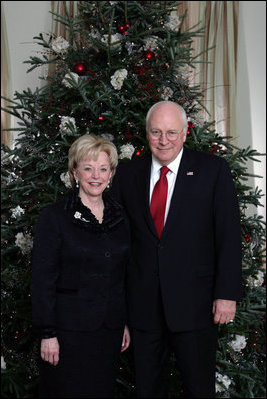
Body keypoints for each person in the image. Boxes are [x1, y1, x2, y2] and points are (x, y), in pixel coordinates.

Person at [111, 101, 242, 398]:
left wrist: (227, 294)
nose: (163, 140)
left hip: (196, 305)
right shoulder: (127, 174)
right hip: (143, 308)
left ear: (185, 133)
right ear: (147, 134)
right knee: (147, 389)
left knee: (198, 389)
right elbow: (118, 242)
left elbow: (228, 235)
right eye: (156, 132)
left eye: (171, 132)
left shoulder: (212, 170)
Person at [31, 134, 131, 398]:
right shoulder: (54, 217)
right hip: (67, 334)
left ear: (111, 174)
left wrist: (123, 323)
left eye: (102, 169)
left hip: (108, 332)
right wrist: (47, 333)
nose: (95, 175)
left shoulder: (120, 216)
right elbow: (42, 280)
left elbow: (121, 276)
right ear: (75, 172)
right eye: (88, 168)